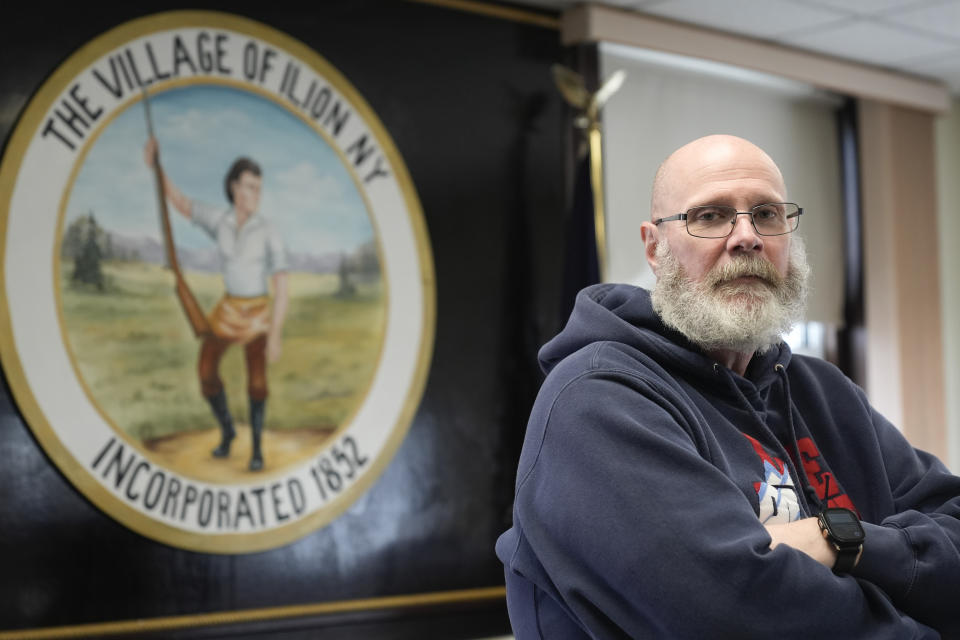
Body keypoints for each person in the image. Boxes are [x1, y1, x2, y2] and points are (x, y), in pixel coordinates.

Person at [496, 134, 960, 638]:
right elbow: (739, 615)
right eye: (711, 216)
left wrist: (835, 539)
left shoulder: (822, 391)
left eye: (766, 214)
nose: (747, 237)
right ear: (655, 248)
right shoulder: (597, 400)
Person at [144, 138, 289, 471]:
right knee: (206, 371)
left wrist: (276, 332)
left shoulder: (269, 230)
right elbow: (179, 202)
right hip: (227, 310)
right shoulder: (218, 221)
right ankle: (227, 432)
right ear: (234, 187)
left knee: (256, 382)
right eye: (250, 187)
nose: (255, 194)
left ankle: (256, 450)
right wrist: (157, 167)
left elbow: (282, 283)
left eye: (259, 188)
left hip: (257, 314)